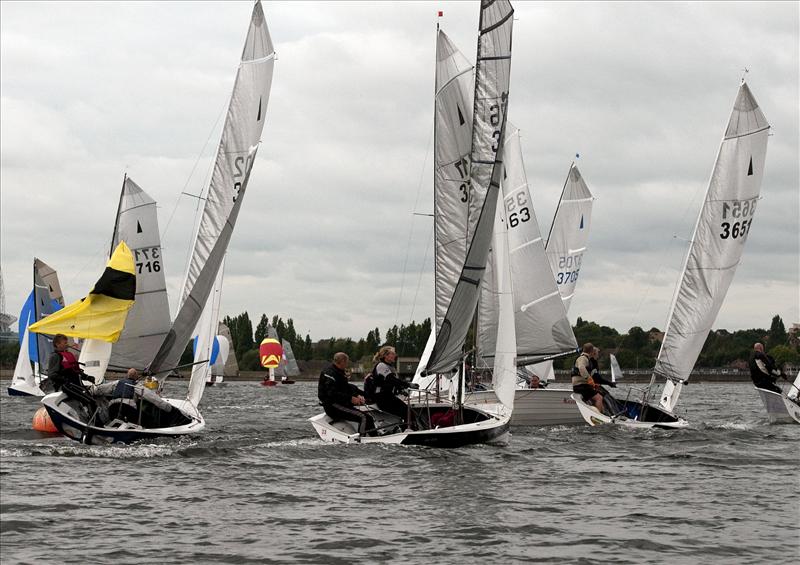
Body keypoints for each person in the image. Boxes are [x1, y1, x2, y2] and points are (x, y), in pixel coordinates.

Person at [318, 352, 375, 436]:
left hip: (341, 403)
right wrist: (350, 398)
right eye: (347, 362)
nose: (347, 364)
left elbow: (346, 387)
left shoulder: (339, 372)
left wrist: (359, 394)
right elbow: (331, 394)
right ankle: (362, 439)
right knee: (365, 418)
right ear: (343, 361)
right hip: (332, 406)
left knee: (368, 417)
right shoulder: (330, 373)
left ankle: (375, 436)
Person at [365, 346, 416, 424]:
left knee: (408, 413)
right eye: (392, 354)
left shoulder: (390, 367)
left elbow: (392, 383)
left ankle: (406, 429)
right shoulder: (381, 365)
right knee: (408, 413)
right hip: (382, 398)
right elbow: (391, 379)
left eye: (394, 354)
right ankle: (407, 430)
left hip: (388, 396)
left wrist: (400, 390)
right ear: (386, 356)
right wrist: (408, 384)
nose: (395, 355)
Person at [572, 343, 604, 414]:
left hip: (582, 386)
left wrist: (593, 383)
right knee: (599, 398)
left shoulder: (586, 358)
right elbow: (581, 368)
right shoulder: (583, 358)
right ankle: (598, 416)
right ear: (591, 351)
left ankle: (601, 413)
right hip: (581, 386)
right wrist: (589, 379)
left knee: (598, 396)